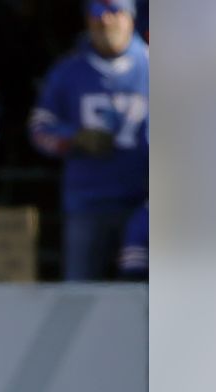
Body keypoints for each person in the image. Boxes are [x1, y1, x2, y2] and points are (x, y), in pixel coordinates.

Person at [29, 0, 148, 280]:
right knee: (81, 294)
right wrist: (74, 139)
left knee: (146, 294)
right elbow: (39, 128)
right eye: (96, 12)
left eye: (114, 11)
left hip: (144, 203)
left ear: (130, 18)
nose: (105, 21)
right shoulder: (67, 71)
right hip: (88, 202)